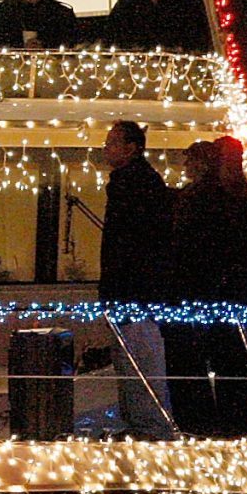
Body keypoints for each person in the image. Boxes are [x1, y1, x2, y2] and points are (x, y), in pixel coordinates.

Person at [165, 139, 247, 435]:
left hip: (211, 296)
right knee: (237, 371)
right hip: (240, 296)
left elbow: (186, 247)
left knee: (209, 367)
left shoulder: (205, 198)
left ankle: (211, 430)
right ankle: (232, 431)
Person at [97, 121, 179, 438]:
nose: (106, 147)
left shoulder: (136, 185)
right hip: (131, 291)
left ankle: (149, 427)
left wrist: (118, 287)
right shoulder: (135, 182)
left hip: (134, 292)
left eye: (112, 142)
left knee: (139, 362)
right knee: (130, 362)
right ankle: (139, 424)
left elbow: (131, 244)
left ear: (132, 147)